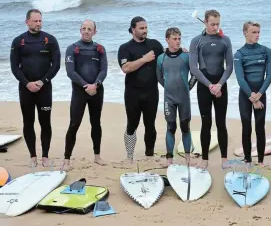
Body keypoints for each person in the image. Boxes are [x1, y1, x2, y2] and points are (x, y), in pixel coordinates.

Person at [10, 9, 61, 167]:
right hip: (25, 89)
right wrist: (27, 83)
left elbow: (56, 65)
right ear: (27, 22)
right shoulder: (18, 41)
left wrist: (42, 81)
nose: (38, 23)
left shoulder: (50, 40)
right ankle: (33, 155)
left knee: (45, 122)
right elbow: (14, 67)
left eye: (40, 21)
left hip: (44, 88)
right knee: (28, 122)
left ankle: (45, 156)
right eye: (35, 21)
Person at [189, 9, 234, 170]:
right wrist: (210, 85)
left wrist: (220, 84)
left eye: (217, 24)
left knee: (221, 123)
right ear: (205, 22)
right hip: (204, 86)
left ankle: (224, 159)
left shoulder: (225, 40)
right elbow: (194, 68)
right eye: (212, 24)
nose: (215, 27)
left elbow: (229, 66)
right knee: (206, 123)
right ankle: (205, 160)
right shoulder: (197, 41)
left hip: (221, 85)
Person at [61, 20, 108, 171]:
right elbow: (70, 72)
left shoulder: (100, 49)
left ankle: (97, 156)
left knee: (96, 123)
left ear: (95, 32)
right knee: (74, 124)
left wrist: (96, 84)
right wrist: (85, 85)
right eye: (84, 29)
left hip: (97, 91)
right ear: (80, 30)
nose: (86, 31)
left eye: (90, 29)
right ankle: (67, 160)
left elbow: (103, 70)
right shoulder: (72, 48)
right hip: (79, 92)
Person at [118, 16, 164, 163]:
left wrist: (179, 51)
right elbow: (126, 68)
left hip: (151, 92)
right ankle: (129, 156)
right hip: (133, 93)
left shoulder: (155, 45)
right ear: (133, 30)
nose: (145, 31)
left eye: (146, 28)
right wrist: (144, 59)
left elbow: (165, 60)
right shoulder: (125, 48)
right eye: (141, 28)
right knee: (132, 124)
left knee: (150, 125)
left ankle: (149, 155)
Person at [234, 21, 271, 168]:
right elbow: (240, 78)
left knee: (260, 126)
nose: (257, 35)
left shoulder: (266, 51)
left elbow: (269, 75)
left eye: (258, 32)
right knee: (246, 126)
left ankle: (261, 161)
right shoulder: (239, 54)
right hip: (245, 94)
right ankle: (248, 160)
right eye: (253, 32)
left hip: (260, 91)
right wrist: (253, 97)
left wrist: (259, 94)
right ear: (245, 33)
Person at [156, 27, 197, 167]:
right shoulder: (161, 58)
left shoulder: (187, 56)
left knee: (185, 127)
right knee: (171, 127)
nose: (178, 41)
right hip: (169, 99)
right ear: (167, 40)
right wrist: (168, 87)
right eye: (175, 39)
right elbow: (159, 77)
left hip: (184, 98)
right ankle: (169, 159)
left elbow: (195, 74)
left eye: (179, 38)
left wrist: (188, 87)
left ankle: (187, 158)